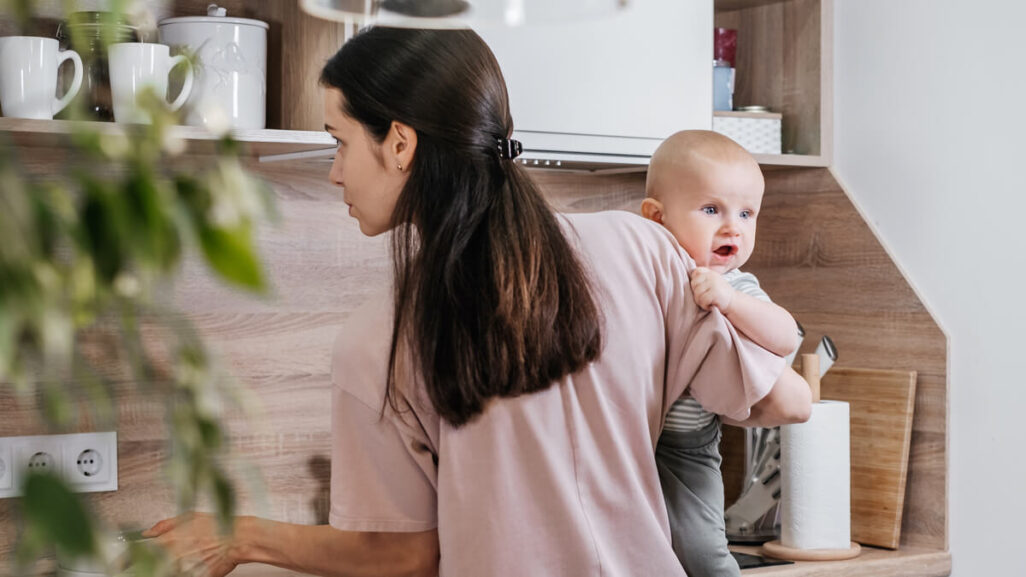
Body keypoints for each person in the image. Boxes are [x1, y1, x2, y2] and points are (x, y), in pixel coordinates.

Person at [143, 27, 811, 577]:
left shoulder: (380, 338)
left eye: (339, 141)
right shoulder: (645, 246)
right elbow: (780, 401)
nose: (335, 170)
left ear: (400, 143)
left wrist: (240, 536)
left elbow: (402, 554)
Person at [641, 130, 801, 576]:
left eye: (747, 213)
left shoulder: (737, 283)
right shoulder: (650, 272)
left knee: (701, 553)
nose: (733, 226)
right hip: (631, 441)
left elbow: (786, 335)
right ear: (656, 218)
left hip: (688, 447)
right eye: (712, 210)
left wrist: (729, 302)